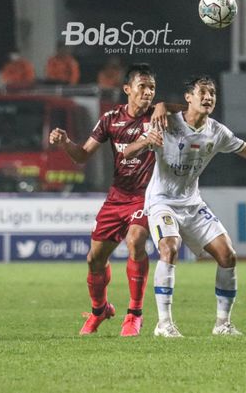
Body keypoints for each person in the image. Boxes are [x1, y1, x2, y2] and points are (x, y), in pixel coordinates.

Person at [124, 76, 246, 338]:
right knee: (169, 247)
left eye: (212, 93)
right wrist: (147, 139)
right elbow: (127, 152)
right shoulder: (166, 122)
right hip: (161, 201)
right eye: (202, 92)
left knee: (228, 255)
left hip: (192, 203)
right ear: (188, 97)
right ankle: (164, 323)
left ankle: (222, 324)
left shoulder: (217, 132)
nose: (209, 97)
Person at [49, 63, 173, 337]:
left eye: (152, 88)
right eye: (142, 87)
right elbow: (82, 155)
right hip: (117, 195)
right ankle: (100, 310)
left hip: (146, 196)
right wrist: (65, 142)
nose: (148, 92)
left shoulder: (159, 117)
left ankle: (134, 314)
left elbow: (190, 111)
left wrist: (166, 105)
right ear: (127, 89)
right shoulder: (110, 119)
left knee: (135, 241)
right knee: (94, 259)